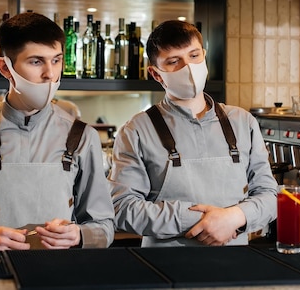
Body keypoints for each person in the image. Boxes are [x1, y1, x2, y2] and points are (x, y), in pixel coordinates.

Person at [0, 12, 115, 251]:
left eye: (56, 60)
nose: (50, 74)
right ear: (5, 68)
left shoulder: (82, 136)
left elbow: (104, 226)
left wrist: (80, 235)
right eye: (36, 61)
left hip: (58, 274)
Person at [108, 20, 277, 247]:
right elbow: (122, 207)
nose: (188, 67)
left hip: (236, 267)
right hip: (164, 271)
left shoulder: (243, 122)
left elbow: (270, 195)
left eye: (194, 56)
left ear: (204, 56)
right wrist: (203, 221)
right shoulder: (137, 130)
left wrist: (235, 217)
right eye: (174, 61)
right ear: (156, 74)